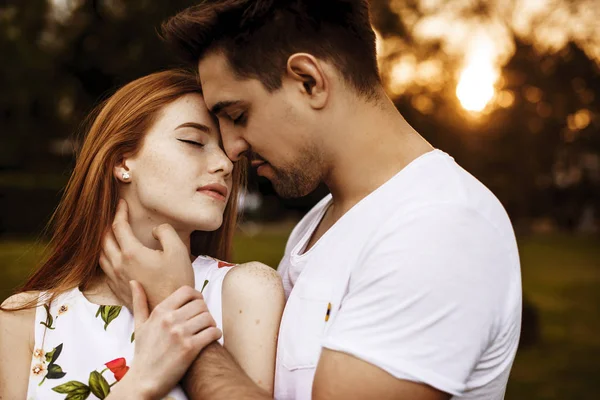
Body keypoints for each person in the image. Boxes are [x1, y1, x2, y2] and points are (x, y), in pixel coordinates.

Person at [100, 1, 523, 399]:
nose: (230, 150)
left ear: (309, 81)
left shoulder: (439, 227)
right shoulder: (322, 222)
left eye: (238, 115)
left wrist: (178, 315)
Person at [0, 70, 285, 400]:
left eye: (226, 150)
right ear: (122, 161)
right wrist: (141, 383)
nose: (225, 163)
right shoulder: (25, 318)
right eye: (193, 141)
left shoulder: (245, 292)